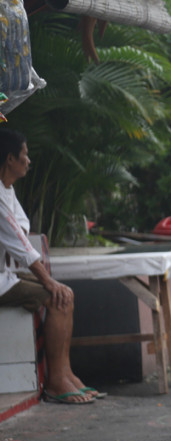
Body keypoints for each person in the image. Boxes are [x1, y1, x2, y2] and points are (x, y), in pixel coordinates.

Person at [0, 128, 102, 404]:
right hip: (1, 280)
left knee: (65, 294)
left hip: (6, 274)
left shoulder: (7, 190)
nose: (29, 160)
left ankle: (66, 373)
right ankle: (56, 382)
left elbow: (21, 230)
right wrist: (48, 281)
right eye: (25, 154)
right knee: (54, 296)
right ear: (10, 159)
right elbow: (21, 244)